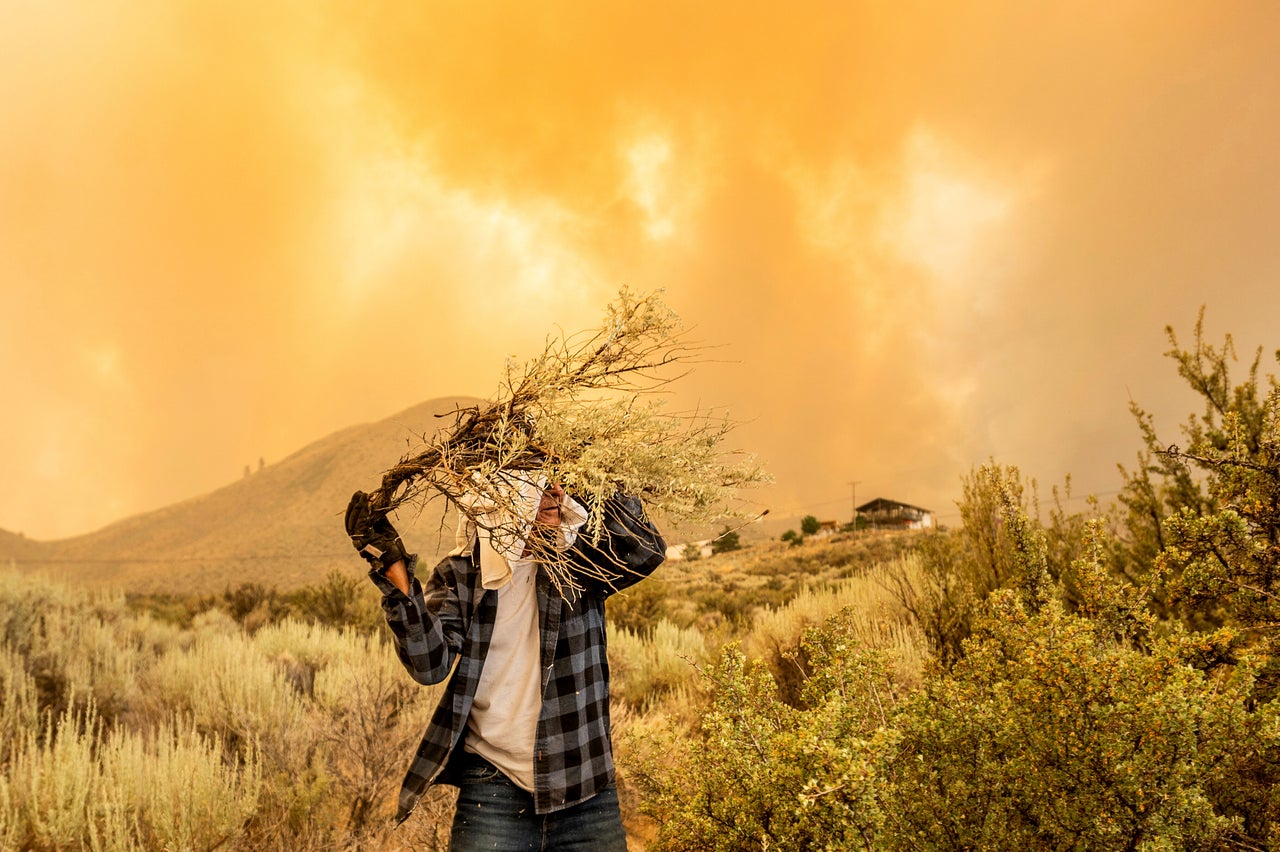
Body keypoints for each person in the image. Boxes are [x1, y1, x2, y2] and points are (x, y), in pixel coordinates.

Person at [344, 480, 665, 851]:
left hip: (585, 787)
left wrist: (600, 474)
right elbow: (428, 665)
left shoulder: (580, 562)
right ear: (504, 497)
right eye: (540, 487)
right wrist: (392, 567)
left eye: (559, 485)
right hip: (493, 790)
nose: (556, 494)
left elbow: (644, 552)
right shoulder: (463, 571)